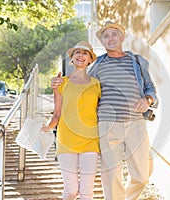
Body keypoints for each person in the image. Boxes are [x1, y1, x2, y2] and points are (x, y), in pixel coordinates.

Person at [51, 22, 158, 200]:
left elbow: (150, 88)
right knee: (111, 175)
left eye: (114, 34)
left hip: (135, 123)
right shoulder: (97, 65)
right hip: (107, 124)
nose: (110, 39)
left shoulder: (137, 61)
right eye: (105, 36)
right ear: (102, 41)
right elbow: (81, 84)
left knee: (143, 175)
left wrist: (148, 100)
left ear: (122, 37)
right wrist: (58, 84)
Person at [41, 41, 101, 200]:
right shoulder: (62, 83)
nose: (81, 55)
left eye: (85, 53)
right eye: (77, 53)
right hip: (66, 141)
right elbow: (57, 114)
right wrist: (47, 126)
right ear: (72, 59)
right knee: (71, 190)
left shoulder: (97, 85)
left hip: (90, 140)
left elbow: (103, 110)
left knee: (87, 191)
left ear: (89, 60)